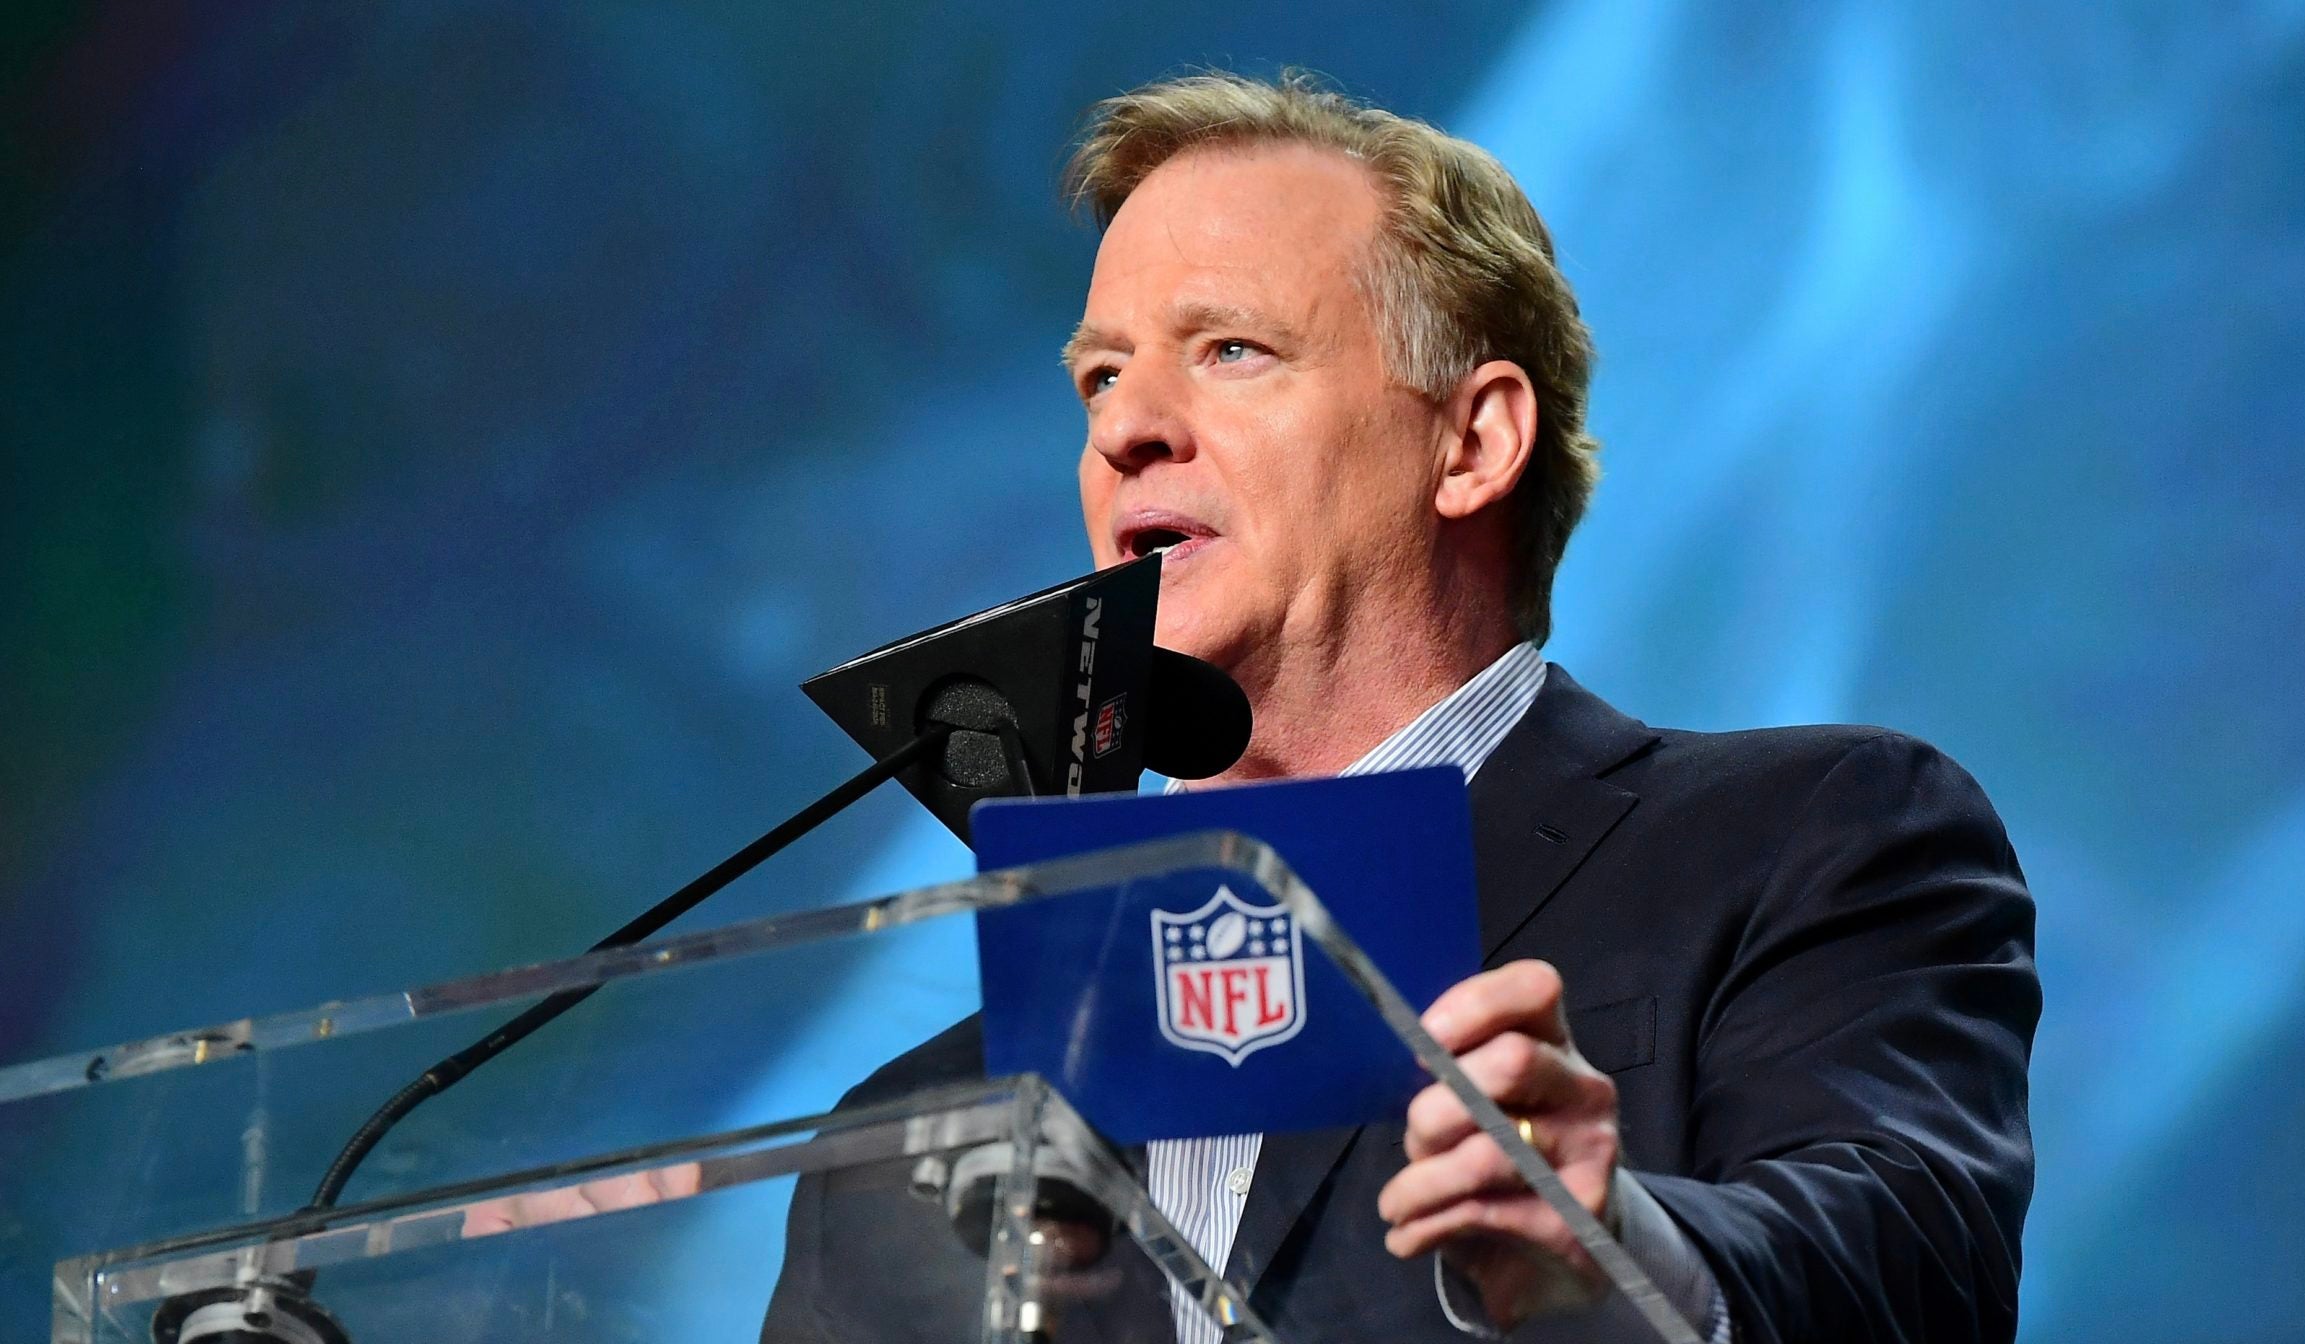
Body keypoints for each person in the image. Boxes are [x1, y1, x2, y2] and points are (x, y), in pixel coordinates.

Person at [754, 70, 2039, 1343]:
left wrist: (1614, 1256)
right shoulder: (917, 1131)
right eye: (1098, 376)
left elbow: (1905, 1276)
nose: (1125, 429)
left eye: (1231, 350)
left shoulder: (1805, 839)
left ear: (1472, 442)